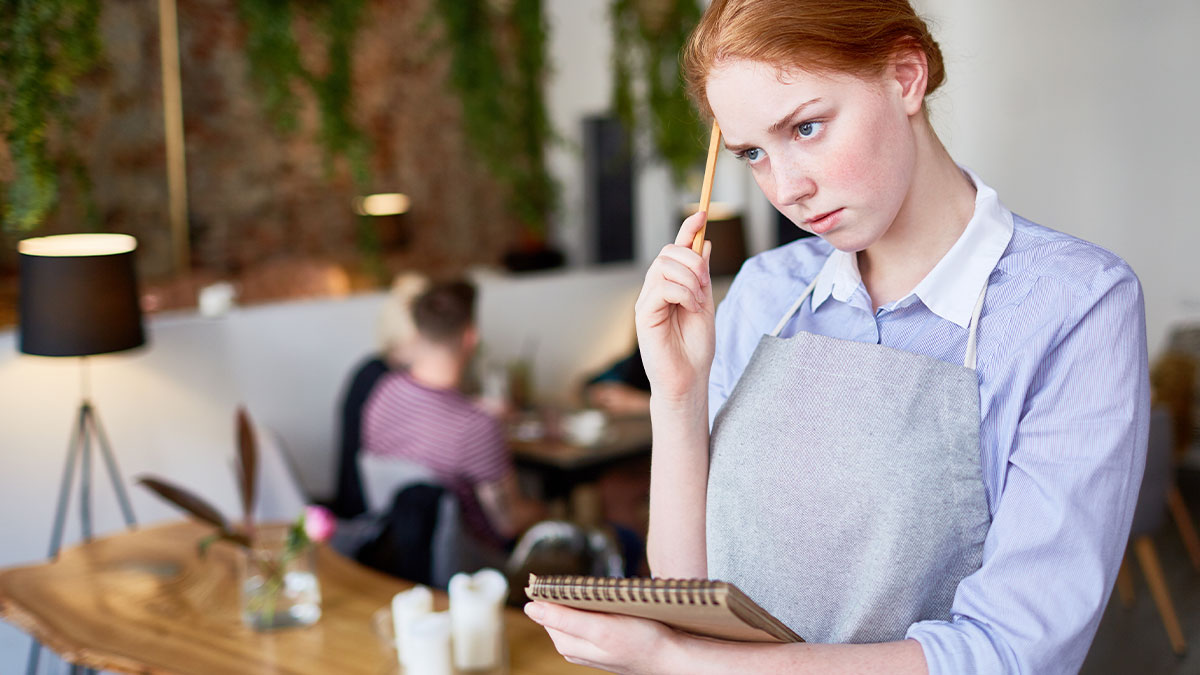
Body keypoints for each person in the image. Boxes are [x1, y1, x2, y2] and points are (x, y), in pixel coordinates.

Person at [523, 1, 1149, 673]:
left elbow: (1009, 651)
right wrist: (676, 397)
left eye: (809, 126)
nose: (787, 188)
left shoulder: (1076, 306)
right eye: (754, 153)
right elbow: (692, 595)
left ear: (905, 75)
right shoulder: (764, 292)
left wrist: (677, 660)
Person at [361, 279, 545, 549]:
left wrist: (473, 409)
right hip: (475, 563)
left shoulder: (384, 391)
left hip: (396, 545)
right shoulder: (476, 426)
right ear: (471, 338)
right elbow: (508, 523)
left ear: (417, 332)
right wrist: (548, 510)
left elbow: (431, 422)